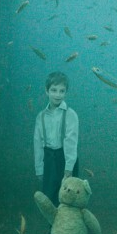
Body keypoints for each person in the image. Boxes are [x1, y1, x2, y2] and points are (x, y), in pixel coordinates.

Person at [34, 72, 79, 206]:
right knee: (49, 198)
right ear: (46, 91)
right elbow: (37, 144)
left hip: (65, 158)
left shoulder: (71, 115)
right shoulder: (40, 116)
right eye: (54, 90)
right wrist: (39, 168)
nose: (58, 95)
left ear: (66, 92)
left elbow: (71, 142)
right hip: (49, 160)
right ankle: (52, 227)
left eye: (62, 91)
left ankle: (69, 227)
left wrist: (68, 169)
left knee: (69, 199)